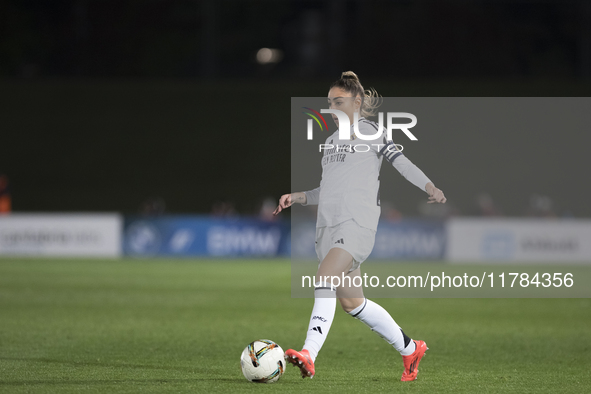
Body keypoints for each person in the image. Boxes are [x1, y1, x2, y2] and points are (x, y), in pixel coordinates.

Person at [273, 71, 446, 382]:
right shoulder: (329, 142)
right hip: (327, 228)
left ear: (357, 102)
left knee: (324, 277)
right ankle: (410, 348)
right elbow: (326, 189)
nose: (332, 107)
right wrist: (297, 197)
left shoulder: (372, 132)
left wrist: (429, 186)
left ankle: (309, 353)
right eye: (329, 102)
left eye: (338, 101)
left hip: (357, 224)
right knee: (353, 303)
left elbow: (401, 162)